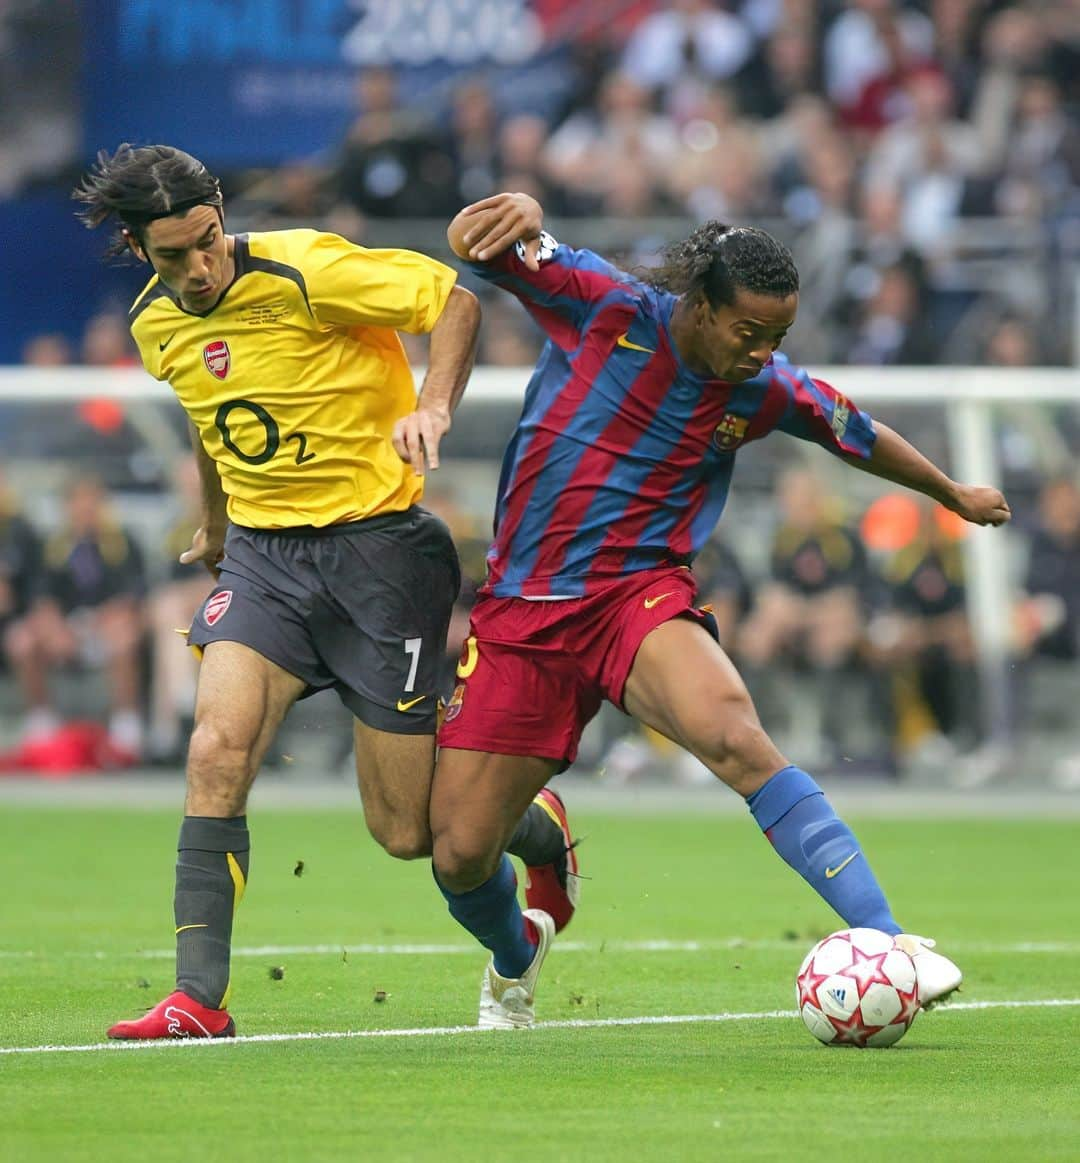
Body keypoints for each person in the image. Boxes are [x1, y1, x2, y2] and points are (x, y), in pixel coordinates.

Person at [430, 191, 1011, 1029]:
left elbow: (857, 430)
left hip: (637, 598)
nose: (763, 352)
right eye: (749, 332)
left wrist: (950, 491)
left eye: (778, 336)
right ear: (700, 305)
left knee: (737, 735)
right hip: (522, 614)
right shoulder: (608, 306)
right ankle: (519, 946)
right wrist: (514, 209)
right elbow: (476, 250)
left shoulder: (766, 390)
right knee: (456, 853)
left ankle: (890, 937)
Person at [73, 144, 572, 1040]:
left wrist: (435, 406)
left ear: (222, 214)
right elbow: (208, 415)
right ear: (137, 249)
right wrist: (220, 523)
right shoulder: (157, 326)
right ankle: (198, 999)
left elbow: (453, 300)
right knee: (214, 751)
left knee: (409, 833)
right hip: (265, 559)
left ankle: (528, 850)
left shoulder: (308, 268)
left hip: (380, 554)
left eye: (208, 241)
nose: (198, 267)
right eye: (172, 256)